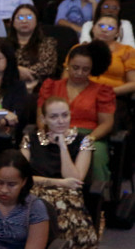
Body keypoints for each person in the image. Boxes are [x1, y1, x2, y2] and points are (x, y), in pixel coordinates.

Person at [22, 97, 100, 249]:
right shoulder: (30, 139)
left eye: (65, 115)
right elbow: (22, 176)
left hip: (68, 196)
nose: (60, 121)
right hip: (36, 190)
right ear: (44, 118)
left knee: (64, 221)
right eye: (54, 116)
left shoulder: (84, 141)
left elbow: (74, 180)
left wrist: (63, 146)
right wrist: (57, 182)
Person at [38, 41, 115, 184]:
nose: (79, 73)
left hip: (89, 135)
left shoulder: (102, 90)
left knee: (96, 155)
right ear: (67, 64)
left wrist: (88, 139)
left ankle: (96, 199)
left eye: (85, 69)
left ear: (92, 69)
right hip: (54, 132)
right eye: (75, 68)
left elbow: (107, 123)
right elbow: (40, 117)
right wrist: (49, 134)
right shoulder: (51, 86)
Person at [8, 4, 57, 93]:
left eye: (29, 17)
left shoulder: (48, 43)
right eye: (20, 18)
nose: (25, 21)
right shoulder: (3, 44)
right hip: (7, 86)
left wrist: (13, 70)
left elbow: (46, 67)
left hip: (38, 88)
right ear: (12, 22)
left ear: (37, 21)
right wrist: (16, 70)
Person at [88, 14, 135, 96]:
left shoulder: (127, 51)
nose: (105, 30)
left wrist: (109, 93)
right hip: (82, 93)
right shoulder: (80, 49)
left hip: (113, 95)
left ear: (117, 33)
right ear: (93, 28)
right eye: (101, 26)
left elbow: (133, 83)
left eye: (110, 27)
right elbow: (66, 77)